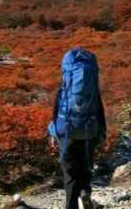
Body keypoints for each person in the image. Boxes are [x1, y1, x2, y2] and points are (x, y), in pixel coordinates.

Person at [48, 48, 107, 209]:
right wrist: (103, 133)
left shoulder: (64, 89)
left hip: (67, 131)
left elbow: (56, 112)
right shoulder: (92, 90)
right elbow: (99, 109)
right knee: (86, 166)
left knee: (70, 172)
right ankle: (85, 191)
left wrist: (52, 133)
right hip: (90, 129)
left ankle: (71, 205)